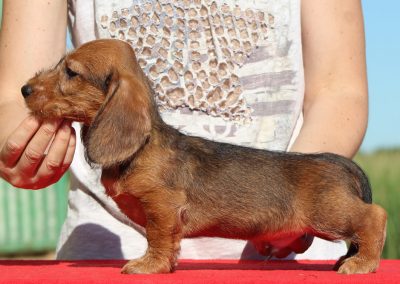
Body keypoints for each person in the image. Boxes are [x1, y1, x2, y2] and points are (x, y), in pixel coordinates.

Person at [0, 0, 368, 260]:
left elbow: (340, 92)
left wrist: (289, 206)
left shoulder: (130, 105)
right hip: (107, 254)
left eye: (70, 73)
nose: (55, 79)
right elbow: (14, 95)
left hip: (289, 256)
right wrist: (18, 142)